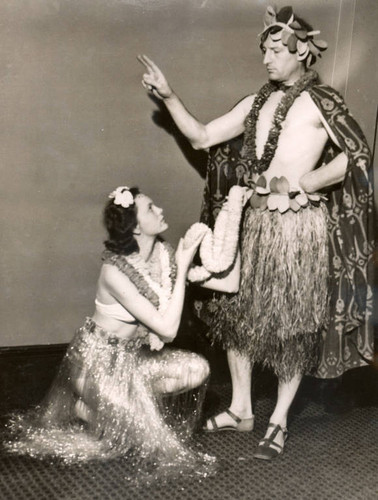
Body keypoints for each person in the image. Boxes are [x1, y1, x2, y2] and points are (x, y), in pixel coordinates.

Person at [138, 5, 374, 460]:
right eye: (263, 50)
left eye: (275, 50)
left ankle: (279, 419)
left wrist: (308, 182)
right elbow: (203, 136)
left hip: (297, 231)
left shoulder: (322, 103)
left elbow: (356, 155)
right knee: (237, 318)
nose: (266, 59)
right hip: (255, 223)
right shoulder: (257, 102)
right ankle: (241, 408)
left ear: (302, 52)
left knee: (290, 326)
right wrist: (168, 96)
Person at [6, 185, 241, 480]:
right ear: (136, 228)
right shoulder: (114, 272)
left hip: (131, 362)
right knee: (147, 440)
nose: (161, 211)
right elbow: (167, 329)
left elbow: (229, 285)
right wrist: (182, 270)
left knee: (197, 368)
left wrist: (235, 224)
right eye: (151, 209)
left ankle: (119, 407)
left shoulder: (162, 256)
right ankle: (92, 408)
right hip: (95, 366)